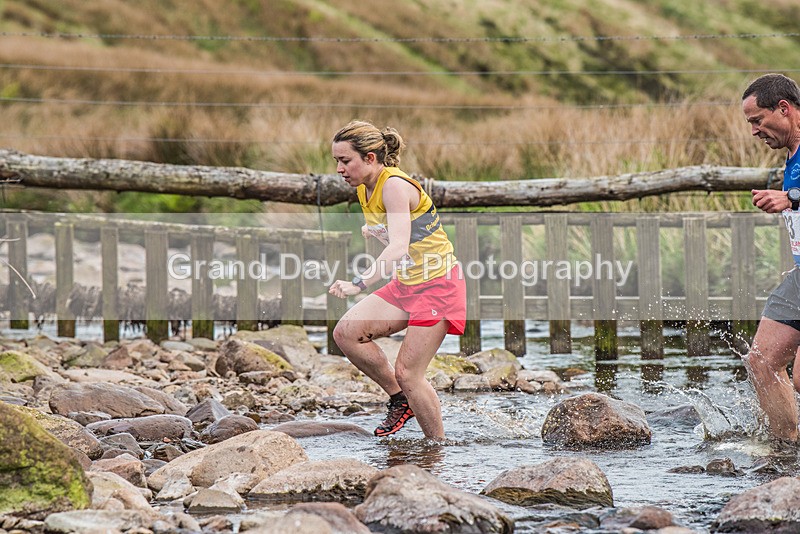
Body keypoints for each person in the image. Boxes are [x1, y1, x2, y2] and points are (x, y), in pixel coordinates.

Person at [328, 120, 466, 439]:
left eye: (345, 160)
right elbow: (400, 237)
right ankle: (400, 400)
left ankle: (438, 448)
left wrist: (358, 284)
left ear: (371, 158)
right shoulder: (366, 187)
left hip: (438, 286)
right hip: (407, 284)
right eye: (336, 160)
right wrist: (377, 231)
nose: (339, 168)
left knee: (409, 373)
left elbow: (399, 246)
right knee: (347, 333)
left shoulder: (394, 185)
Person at [741, 73, 800, 442]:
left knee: (781, 371)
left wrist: (791, 199)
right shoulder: (791, 156)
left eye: (757, 120)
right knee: (777, 371)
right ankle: (789, 451)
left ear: (784, 108)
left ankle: (786, 454)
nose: (753, 131)